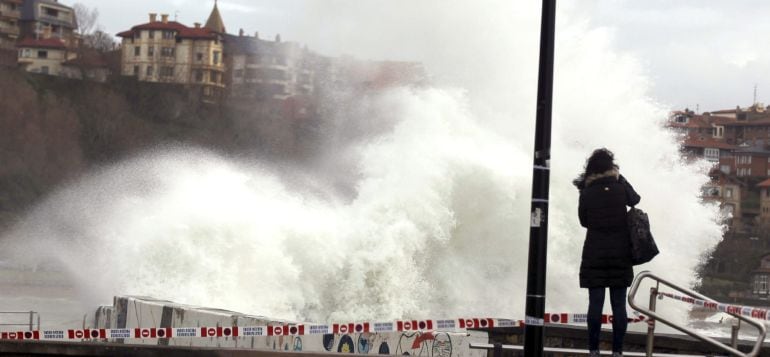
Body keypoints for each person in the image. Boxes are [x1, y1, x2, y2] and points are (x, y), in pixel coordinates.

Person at [573, 148, 641, 357]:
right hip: (621, 252)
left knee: (595, 303)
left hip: (595, 252)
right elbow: (635, 199)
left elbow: (584, 221)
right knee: (619, 305)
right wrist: (621, 178)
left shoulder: (587, 191)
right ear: (611, 167)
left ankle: (593, 350)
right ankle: (617, 352)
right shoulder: (620, 187)